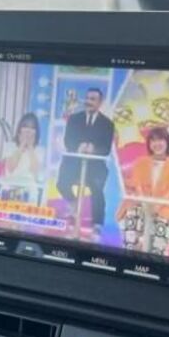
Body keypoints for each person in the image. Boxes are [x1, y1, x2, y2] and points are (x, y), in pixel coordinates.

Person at [117, 127, 169, 255]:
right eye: (153, 140)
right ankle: (129, 255)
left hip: (164, 207)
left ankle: (154, 260)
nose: (157, 144)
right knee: (132, 219)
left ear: (167, 142)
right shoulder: (140, 163)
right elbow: (137, 186)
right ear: (149, 144)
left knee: (160, 230)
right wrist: (146, 205)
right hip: (141, 203)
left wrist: (156, 206)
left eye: (160, 140)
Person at [56, 88, 115, 236]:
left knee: (97, 189)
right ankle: (73, 203)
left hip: (95, 166)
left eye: (93, 99)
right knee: (61, 183)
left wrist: (94, 149)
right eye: (87, 98)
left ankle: (97, 224)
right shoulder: (74, 119)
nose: (88, 102)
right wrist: (78, 147)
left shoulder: (107, 124)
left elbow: (106, 149)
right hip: (74, 163)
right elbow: (68, 141)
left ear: (100, 102)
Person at [1, 113, 44, 203]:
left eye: (32, 128)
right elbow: (10, 168)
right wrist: (21, 146)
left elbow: (35, 173)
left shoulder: (40, 151)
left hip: (29, 189)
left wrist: (30, 148)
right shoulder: (10, 147)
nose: (28, 131)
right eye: (25, 127)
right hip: (10, 186)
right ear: (19, 129)